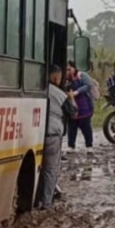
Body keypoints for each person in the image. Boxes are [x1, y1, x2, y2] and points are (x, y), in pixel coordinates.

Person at [40, 65, 74, 210]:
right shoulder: (58, 93)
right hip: (52, 135)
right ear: (55, 77)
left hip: (34, 135)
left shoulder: (36, 88)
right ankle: (46, 203)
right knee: (50, 169)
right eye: (59, 78)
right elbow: (73, 112)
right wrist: (71, 98)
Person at [65, 61, 95, 154]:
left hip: (83, 106)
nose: (68, 71)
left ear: (74, 68)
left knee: (86, 127)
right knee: (71, 127)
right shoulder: (65, 79)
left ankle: (89, 146)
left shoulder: (81, 75)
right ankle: (71, 146)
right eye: (66, 69)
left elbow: (89, 85)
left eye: (69, 69)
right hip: (71, 106)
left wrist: (77, 92)